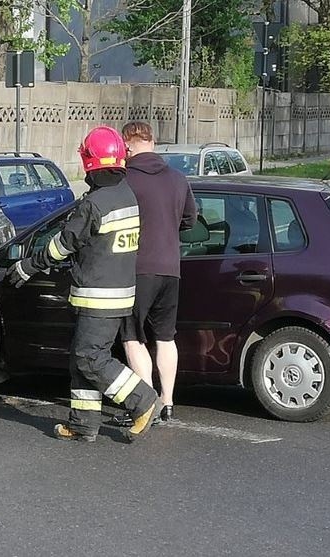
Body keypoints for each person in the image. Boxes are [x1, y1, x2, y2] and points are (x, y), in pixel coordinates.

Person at [6, 126, 162, 443]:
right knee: (80, 359)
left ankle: (143, 401)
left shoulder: (95, 204)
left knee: (91, 358)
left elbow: (62, 246)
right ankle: (82, 423)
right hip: (118, 293)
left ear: (88, 161)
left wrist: (26, 266)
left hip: (98, 295)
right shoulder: (125, 195)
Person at [112, 121, 196, 426]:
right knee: (165, 338)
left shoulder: (126, 180)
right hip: (171, 270)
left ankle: (146, 403)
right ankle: (168, 402)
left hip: (137, 269)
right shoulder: (178, 178)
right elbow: (190, 220)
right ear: (153, 141)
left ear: (128, 145)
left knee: (132, 337)